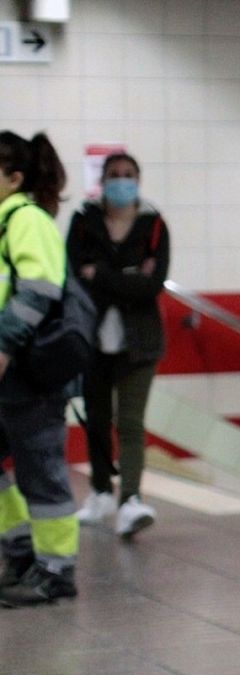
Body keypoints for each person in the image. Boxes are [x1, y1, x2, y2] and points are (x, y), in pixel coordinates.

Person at [67, 151, 170, 538]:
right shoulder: (84, 221)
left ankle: (130, 499)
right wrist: (128, 277)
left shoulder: (154, 224)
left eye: (129, 174)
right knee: (96, 421)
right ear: (103, 180)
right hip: (91, 338)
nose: (121, 181)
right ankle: (99, 493)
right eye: (114, 174)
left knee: (129, 423)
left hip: (139, 342)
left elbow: (153, 284)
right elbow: (75, 274)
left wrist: (103, 275)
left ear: (139, 180)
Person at [0, 131, 80, 607]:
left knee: (42, 470)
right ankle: (21, 550)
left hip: (30, 370)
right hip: (9, 372)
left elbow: (38, 291)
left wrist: (4, 346)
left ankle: (56, 570)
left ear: (15, 178)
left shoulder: (27, 220)